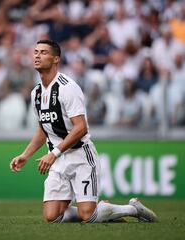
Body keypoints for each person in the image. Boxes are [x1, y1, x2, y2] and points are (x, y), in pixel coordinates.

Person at [9, 39, 158, 223]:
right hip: (57, 160)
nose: (37, 56)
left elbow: (81, 127)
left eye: (44, 52)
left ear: (56, 60)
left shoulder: (67, 87)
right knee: (52, 217)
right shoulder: (36, 93)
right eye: (36, 52)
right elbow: (44, 128)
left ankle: (131, 208)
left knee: (87, 215)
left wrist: (53, 153)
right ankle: (104, 212)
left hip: (80, 156)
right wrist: (26, 154)